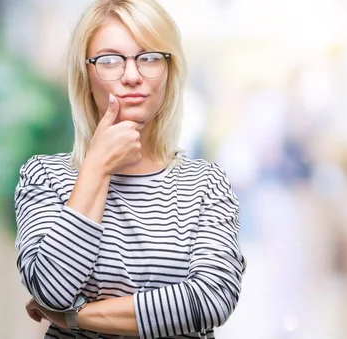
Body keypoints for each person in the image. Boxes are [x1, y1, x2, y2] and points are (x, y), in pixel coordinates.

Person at [13, 1, 246, 338]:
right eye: (110, 60)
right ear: (85, 75)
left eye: (149, 57)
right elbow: (51, 290)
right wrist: (97, 166)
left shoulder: (206, 184)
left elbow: (211, 300)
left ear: (169, 71)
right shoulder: (44, 177)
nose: (132, 75)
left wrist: (77, 316)